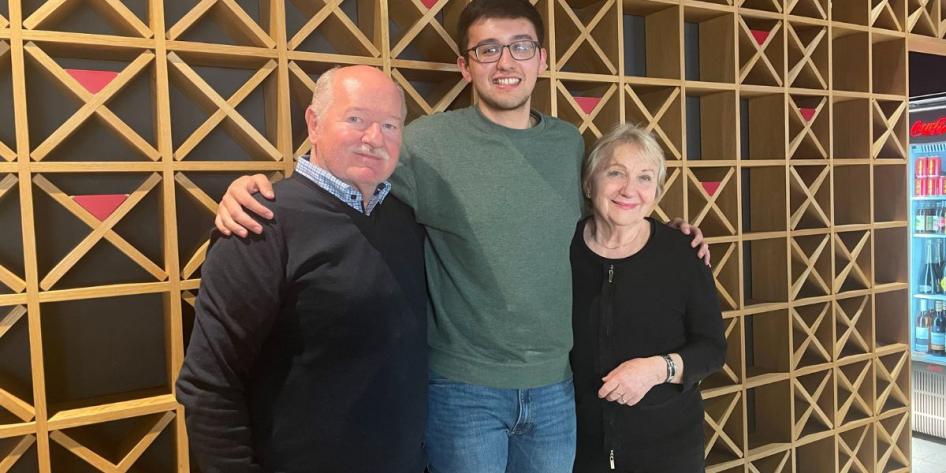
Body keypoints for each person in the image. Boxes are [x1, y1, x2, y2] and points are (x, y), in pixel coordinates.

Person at [212, 1, 709, 472]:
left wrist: (668, 233)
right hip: (462, 392)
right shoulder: (427, 144)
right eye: (487, 49)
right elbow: (346, 178)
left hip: (556, 389)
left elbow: (606, 208)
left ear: (541, 58)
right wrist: (254, 188)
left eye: (520, 46)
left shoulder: (566, 142)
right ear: (465, 66)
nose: (505, 61)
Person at [175, 65, 428, 473]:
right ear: (314, 122)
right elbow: (209, 386)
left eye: (390, 125)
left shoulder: (405, 220)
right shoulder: (260, 224)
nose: (374, 138)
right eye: (356, 119)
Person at [570, 123, 726, 472]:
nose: (629, 189)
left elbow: (713, 349)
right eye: (615, 173)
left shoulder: (682, 253)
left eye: (645, 177)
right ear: (588, 182)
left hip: (668, 452)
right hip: (578, 450)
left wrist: (658, 369)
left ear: (656, 191)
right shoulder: (563, 249)